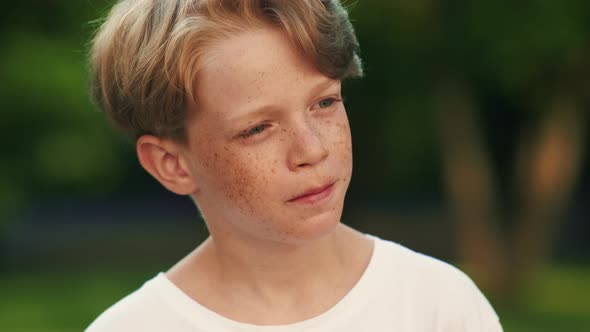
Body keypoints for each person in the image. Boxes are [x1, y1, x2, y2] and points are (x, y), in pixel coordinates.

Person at [85, 0, 503, 331]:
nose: (312, 149)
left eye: (324, 103)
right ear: (172, 164)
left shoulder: (439, 307)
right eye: (258, 129)